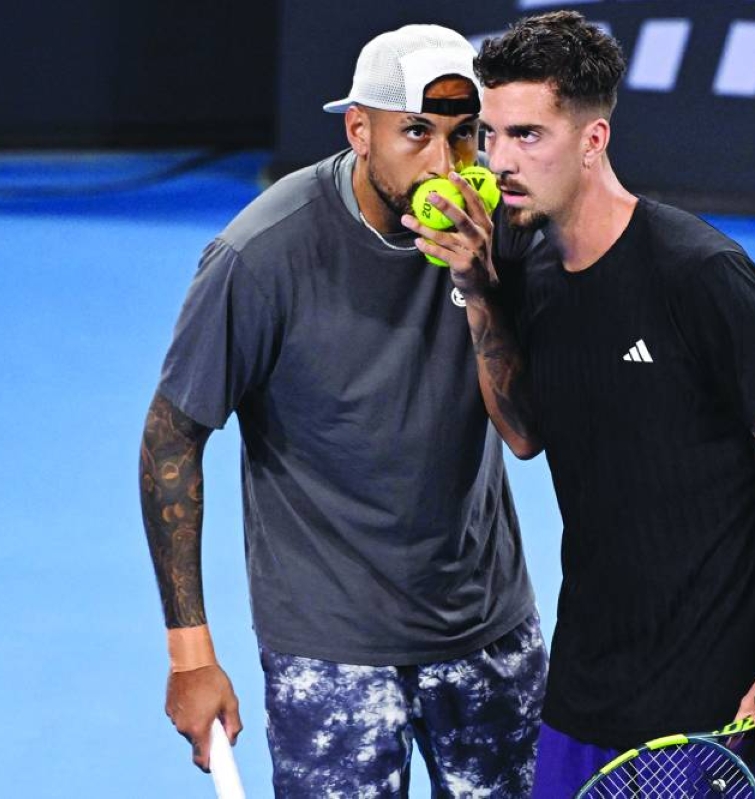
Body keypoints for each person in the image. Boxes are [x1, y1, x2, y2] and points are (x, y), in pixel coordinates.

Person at [402, 10, 755, 796]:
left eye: (528, 136)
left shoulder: (700, 274)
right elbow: (525, 433)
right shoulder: (527, 270)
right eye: (492, 134)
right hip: (587, 685)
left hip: (717, 703)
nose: (499, 161)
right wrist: (476, 290)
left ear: (593, 139)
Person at [138, 24, 546, 798]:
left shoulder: (503, 232)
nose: (446, 166)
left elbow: (526, 432)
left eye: (467, 138)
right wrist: (190, 655)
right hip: (329, 647)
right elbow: (171, 437)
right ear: (359, 129)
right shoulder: (260, 255)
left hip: (485, 626)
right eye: (416, 134)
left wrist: (481, 282)